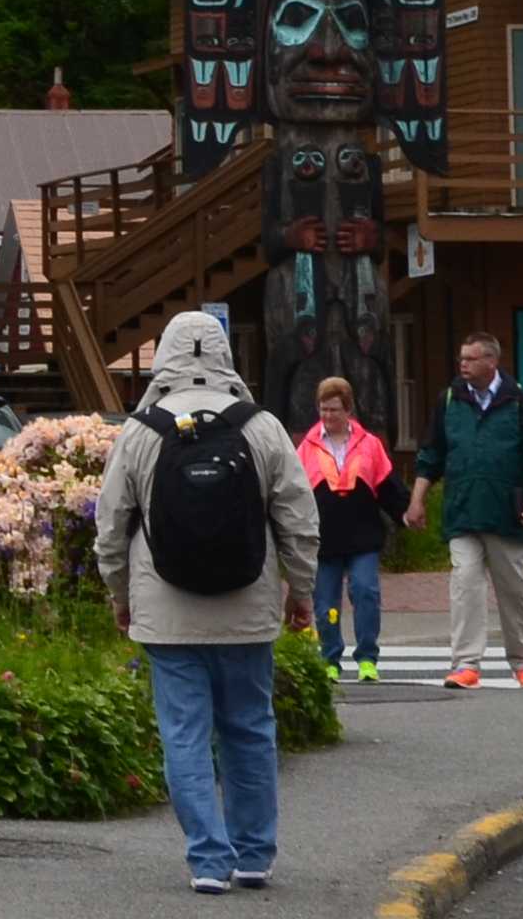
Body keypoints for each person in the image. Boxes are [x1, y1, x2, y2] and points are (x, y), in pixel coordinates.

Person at [94, 310, 318, 895]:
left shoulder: (141, 431)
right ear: (226, 357)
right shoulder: (261, 426)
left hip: (166, 611)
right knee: (249, 729)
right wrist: (301, 589)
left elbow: (111, 527)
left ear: (165, 354)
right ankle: (254, 855)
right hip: (246, 608)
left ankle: (207, 860)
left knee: (184, 735)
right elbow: (298, 517)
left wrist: (121, 597)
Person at [425, 331, 523, 692]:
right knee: (465, 584)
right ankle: (465, 664)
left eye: (470, 358)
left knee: (514, 588)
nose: (462, 364)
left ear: (491, 362)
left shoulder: (517, 401)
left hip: (506, 513)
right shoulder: (449, 400)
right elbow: (432, 453)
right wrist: (417, 499)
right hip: (462, 509)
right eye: (461, 358)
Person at [295, 373, 404, 683]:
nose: (328, 416)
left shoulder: (369, 444)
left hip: (363, 535)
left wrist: (408, 514)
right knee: (326, 602)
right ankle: (330, 658)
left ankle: (367, 658)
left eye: (335, 410)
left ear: (348, 411)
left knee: (365, 591)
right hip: (324, 538)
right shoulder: (307, 446)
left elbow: (388, 486)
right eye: (323, 410)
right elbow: (294, 492)